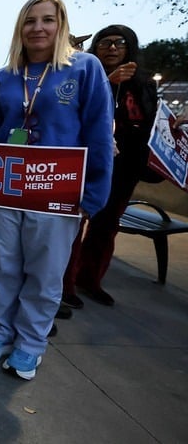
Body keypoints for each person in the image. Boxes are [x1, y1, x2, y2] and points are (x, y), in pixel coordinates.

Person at [0, 0, 114, 380]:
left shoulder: (85, 68)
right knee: (4, 266)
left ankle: (30, 343)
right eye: (30, 21)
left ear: (60, 25)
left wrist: (93, 197)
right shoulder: (4, 77)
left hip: (57, 193)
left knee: (44, 273)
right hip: (4, 188)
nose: (38, 28)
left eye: (47, 20)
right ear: (19, 28)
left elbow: (98, 134)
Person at [61, 25, 158, 308]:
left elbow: (150, 120)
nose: (112, 48)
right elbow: (70, 109)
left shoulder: (144, 83)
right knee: (74, 222)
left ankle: (90, 278)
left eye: (119, 43)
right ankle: (64, 284)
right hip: (88, 161)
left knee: (107, 224)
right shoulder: (84, 73)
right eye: (105, 43)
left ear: (130, 48)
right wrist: (107, 82)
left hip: (127, 164)